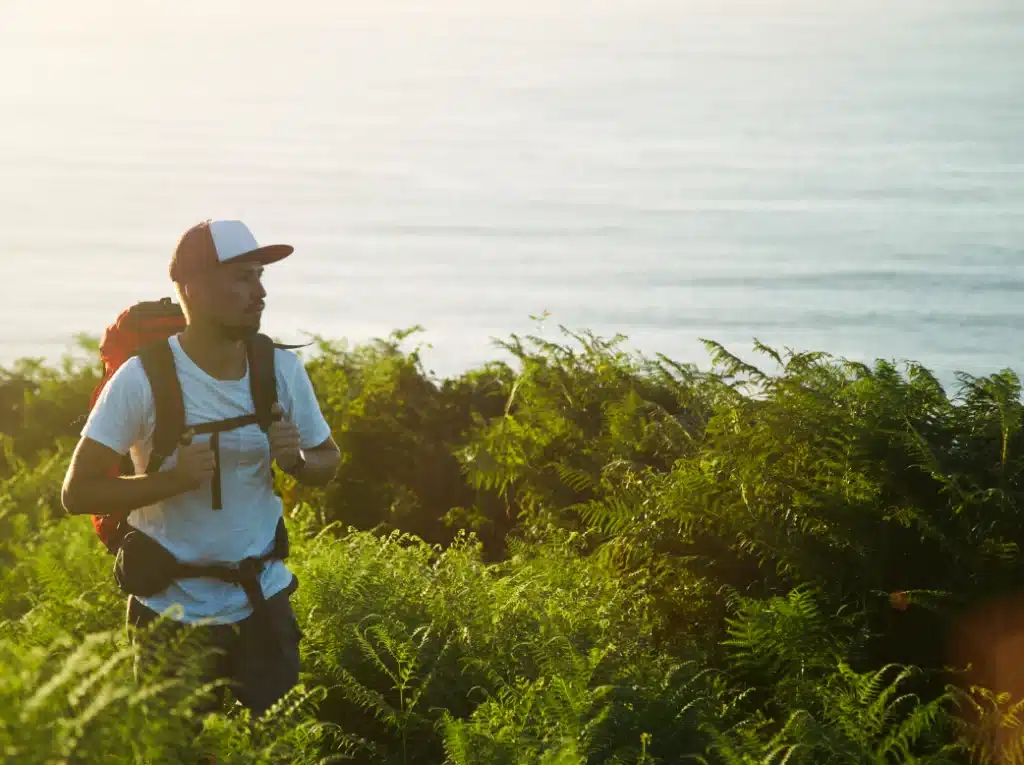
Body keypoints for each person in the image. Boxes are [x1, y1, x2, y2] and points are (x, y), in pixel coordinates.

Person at [61, 218, 340, 716]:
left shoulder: (280, 369)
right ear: (193, 288)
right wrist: (172, 482)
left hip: (264, 604)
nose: (260, 293)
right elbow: (77, 493)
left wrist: (296, 462)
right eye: (243, 278)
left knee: (275, 747)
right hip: (170, 614)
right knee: (176, 750)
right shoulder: (141, 379)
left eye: (260, 277)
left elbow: (328, 459)